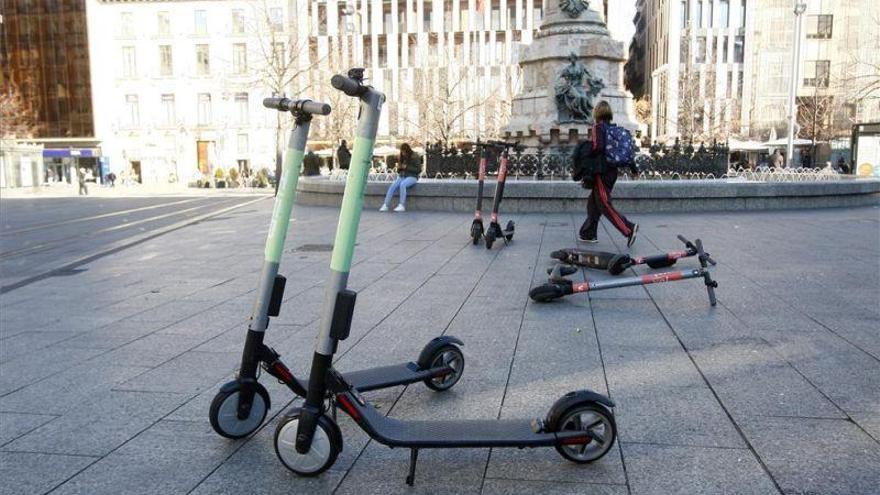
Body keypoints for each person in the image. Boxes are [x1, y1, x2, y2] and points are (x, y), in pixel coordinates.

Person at [576, 101, 639, 247]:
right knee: (593, 204)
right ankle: (588, 233)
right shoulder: (615, 130)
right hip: (611, 171)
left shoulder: (598, 127)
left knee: (604, 204)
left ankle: (628, 229)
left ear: (596, 113)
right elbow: (626, 152)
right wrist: (634, 169)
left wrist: (584, 152)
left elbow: (598, 147)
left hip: (601, 172)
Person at [379, 143, 421, 212]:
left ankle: (402, 205)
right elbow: (399, 171)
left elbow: (418, 170)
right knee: (392, 186)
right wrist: (399, 168)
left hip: (413, 177)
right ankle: (385, 205)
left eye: (404, 152)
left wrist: (407, 167)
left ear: (407, 150)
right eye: (402, 152)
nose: (403, 153)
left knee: (403, 185)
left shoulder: (415, 156)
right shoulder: (402, 156)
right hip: (402, 176)